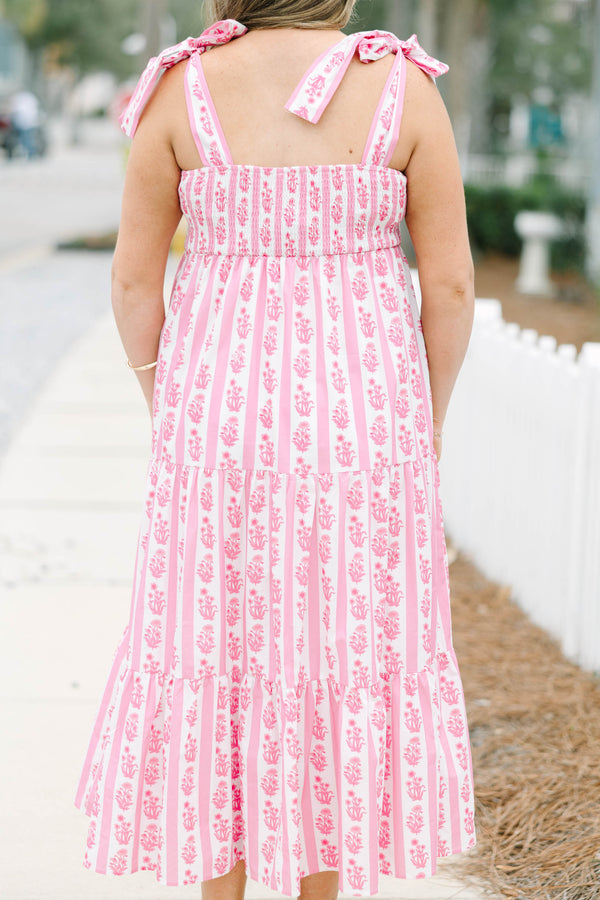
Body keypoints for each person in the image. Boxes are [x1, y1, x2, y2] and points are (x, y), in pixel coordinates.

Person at [74, 2, 476, 899]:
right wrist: (430, 418)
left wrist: (165, 396)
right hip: (365, 426)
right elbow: (447, 281)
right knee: (337, 656)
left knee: (217, 651)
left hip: (215, 417)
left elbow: (137, 274)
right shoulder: (404, 87)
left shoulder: (182, 87)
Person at [10, 90, 41, 159]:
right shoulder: (30, 98)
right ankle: (30, 154)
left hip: (24, 124)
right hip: (28, 123)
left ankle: (30, 154)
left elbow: (16, 110)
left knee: (25, 140)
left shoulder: (20, 99)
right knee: (28, 139)